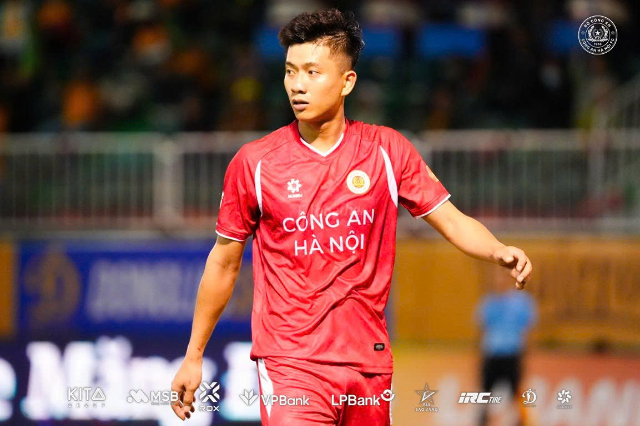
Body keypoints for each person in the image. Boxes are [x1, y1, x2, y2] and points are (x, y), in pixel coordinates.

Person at [171, 9, 532, 426]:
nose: (297, 84)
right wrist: (193, 356)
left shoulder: (387, 151)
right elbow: (223, 262)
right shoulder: (254, 163)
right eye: (290, 72)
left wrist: (497, 250)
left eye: (312, 72)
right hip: (291, 363)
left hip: (368, 365)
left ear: (347, 82)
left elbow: (451, 220)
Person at [476, 270, 537, 426]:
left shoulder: (522, 302)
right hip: (492, 354)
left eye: (503, 278)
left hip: (512, 354)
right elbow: (482, 330)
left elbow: (527, 331)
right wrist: (479, 357)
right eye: (497, 277)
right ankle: (482, 421)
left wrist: (526, 356)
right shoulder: (488, 302)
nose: (500, 281)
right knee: (485, 394)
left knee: (516, 394)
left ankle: (522, 421)